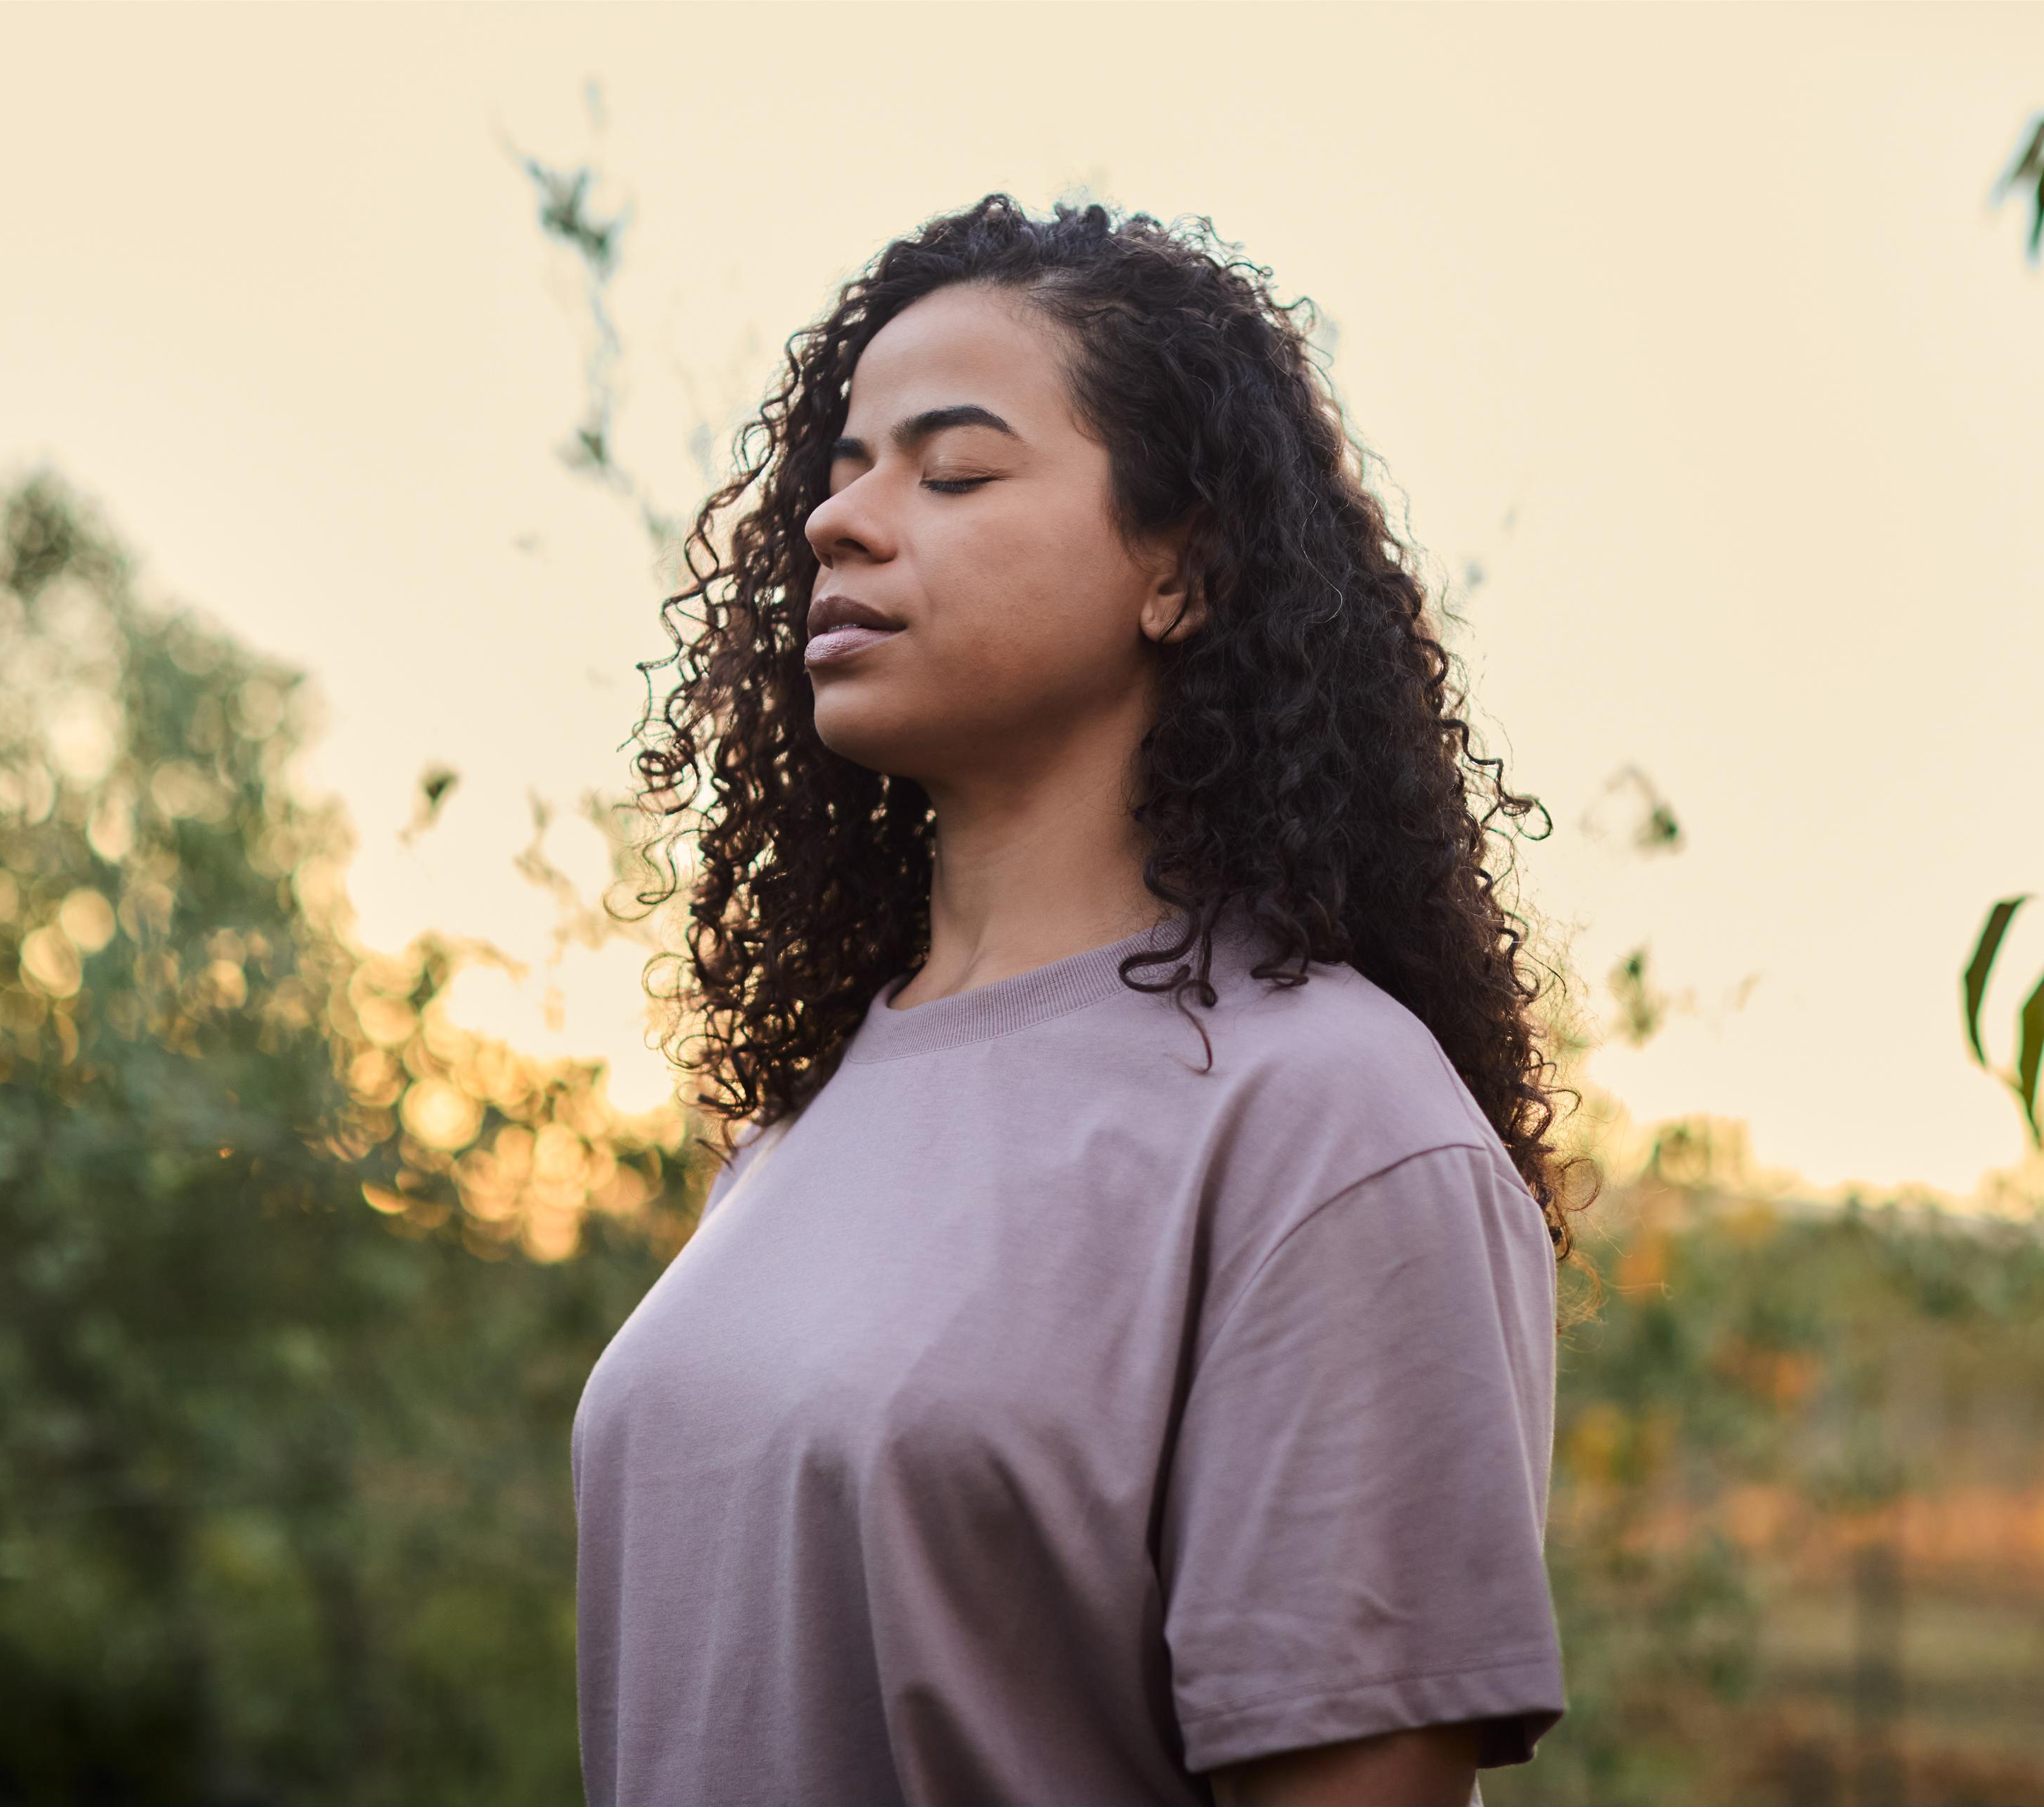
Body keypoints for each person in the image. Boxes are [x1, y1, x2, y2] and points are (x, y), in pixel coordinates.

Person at [573, 193, 1596, 1807]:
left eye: (953, 469)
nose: (844, 520)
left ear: (1180, 570)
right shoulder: (808, 1107)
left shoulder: (1332, 1120)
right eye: (842, 469)